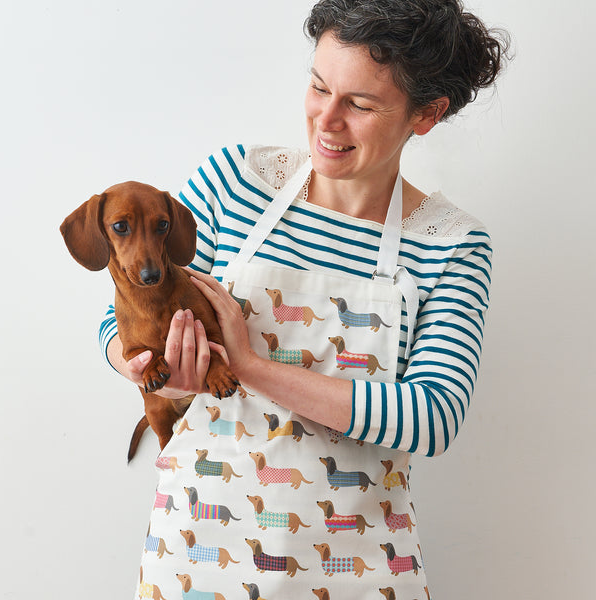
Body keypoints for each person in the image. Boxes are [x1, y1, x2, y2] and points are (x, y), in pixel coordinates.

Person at [101, 1, 510, 598]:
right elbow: (120, 320)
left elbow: (433, 418)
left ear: (426, 114)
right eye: (319, 87)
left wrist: (249, 366)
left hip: (359, 562)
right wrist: (153, 374)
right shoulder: (233, 184)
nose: (326, 120)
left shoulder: (450, 245)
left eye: (361, 104)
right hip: (198, 554)